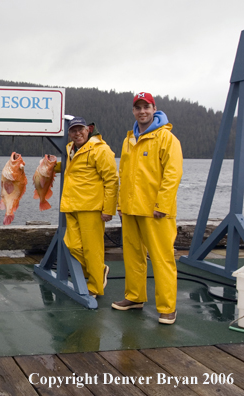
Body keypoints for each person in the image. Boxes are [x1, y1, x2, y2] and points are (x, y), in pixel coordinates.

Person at [112, 92, 183, 325]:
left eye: (146, 107)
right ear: (133, 111)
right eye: (138, 107)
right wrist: (121, 204)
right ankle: (135, 297)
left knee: (162, 259)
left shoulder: (167, 138)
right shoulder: (128, 140)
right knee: (133, 257)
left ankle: (167, 307)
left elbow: (172, 175)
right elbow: (123, 174)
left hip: (156, 211)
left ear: (154, 109)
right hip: (131, 210)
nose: (142, 111)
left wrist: (162, 205)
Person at [57, 117, 118, 297]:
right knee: (72, 245)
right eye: (73, 131)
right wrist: (52, 166)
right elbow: (72, 168)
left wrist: (108, 209)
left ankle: (95, 287)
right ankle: (99, 271)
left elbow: (112, 180)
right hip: (71, 206)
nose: (77, 134)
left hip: (92, 208)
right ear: (69, 134)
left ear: (89, 129)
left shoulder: (101, 150)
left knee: (92, 249)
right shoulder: (70, 149)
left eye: (80, 130)